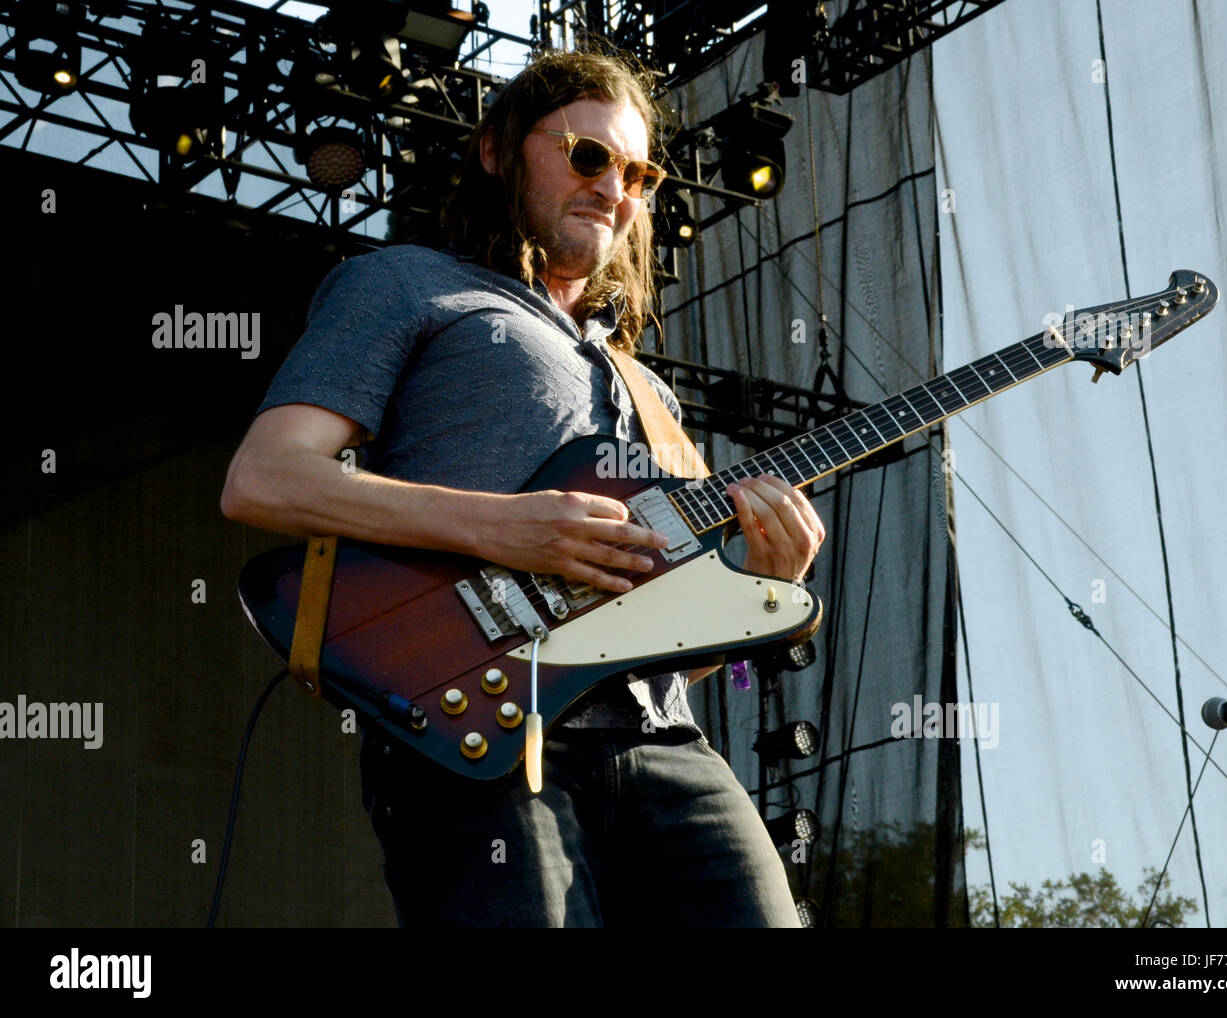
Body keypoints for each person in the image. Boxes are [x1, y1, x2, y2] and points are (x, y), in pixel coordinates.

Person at [220, 48, 825, 927]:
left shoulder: (650, 394)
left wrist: (774, 578)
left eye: (637, 172)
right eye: (588, 157)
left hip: (668, 745)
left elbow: (677, 642)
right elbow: (265, 477)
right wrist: (502, 528)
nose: (614, 188)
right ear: (498, 149)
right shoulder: (406, 283)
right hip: (486, 736)